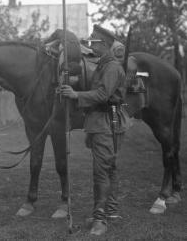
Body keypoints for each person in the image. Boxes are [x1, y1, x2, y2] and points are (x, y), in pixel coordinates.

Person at [60, 25, 131, 236]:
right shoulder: (104, 65)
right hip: (101, 122)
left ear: (104, 45)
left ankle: (101, 219)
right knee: (109, 168)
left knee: (102, 171)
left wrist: (76, 95)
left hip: (107, 123)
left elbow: (102, 94)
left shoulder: (111, 67)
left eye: (94, 43)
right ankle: (111, 211)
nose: (91, 47)